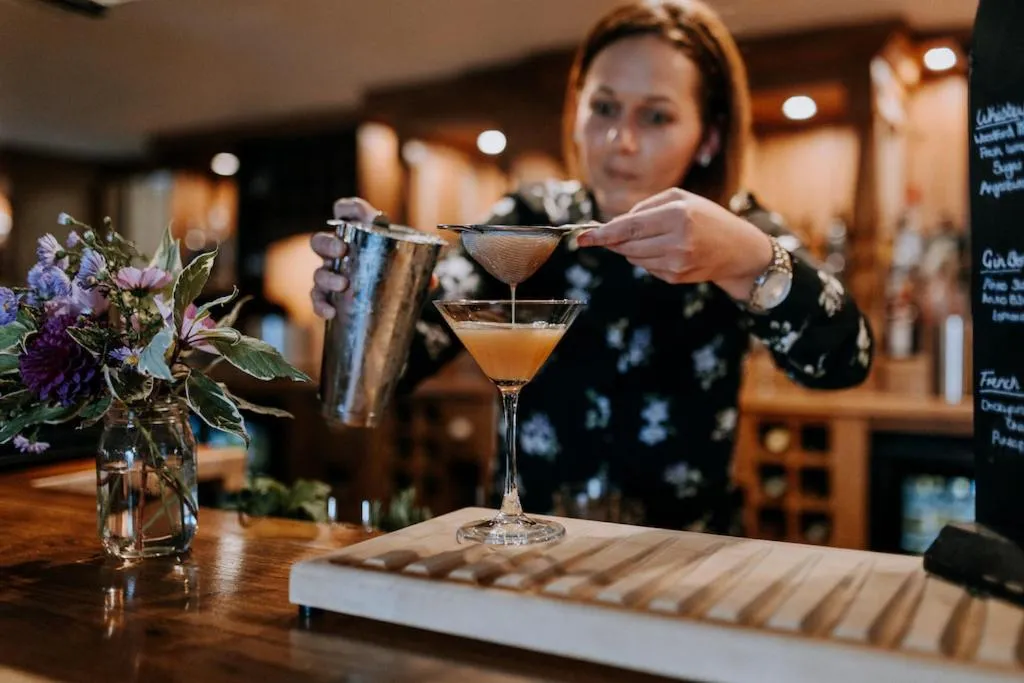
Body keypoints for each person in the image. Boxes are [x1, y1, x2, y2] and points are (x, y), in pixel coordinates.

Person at [309, 0, 874, 534]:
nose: (619, 140)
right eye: (603, 107)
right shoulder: (532, 221)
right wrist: (371, 289)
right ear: (576, 111)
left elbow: (844, 360)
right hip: (530, 546)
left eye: (655, 116)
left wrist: (748, 259)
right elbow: (407, 360)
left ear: (709, 137)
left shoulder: (740, 230)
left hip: (683, 556)